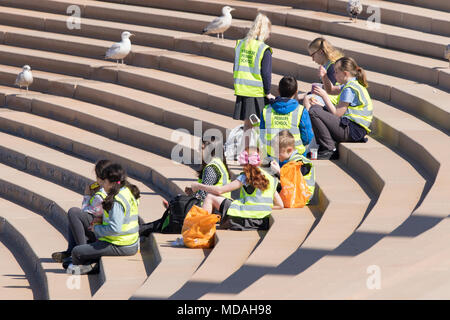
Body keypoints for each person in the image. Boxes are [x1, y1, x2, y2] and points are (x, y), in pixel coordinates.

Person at [67, 163, 141, 275]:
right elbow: (123, 216)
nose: (102, 184)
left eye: (104, 182)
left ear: (111, 183)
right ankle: (89, 260)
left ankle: (91, 265)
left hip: (120, 244)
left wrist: (96, 229)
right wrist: (101, 219)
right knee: (77, 250)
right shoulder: (127, 190)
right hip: (130, 242)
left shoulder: (117, 200)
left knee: (77, 252)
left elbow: (115, 229)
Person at [190, 147, 284, 231]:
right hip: (261, 222)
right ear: (259, 161)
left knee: (210, 197)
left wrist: (198, 186)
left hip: (243, 219)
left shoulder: (245, 177)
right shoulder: (271, 179)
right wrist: (262, 208)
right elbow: (280, 205)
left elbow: (219, 190)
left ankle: (199, 232)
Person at [304, 57, 373, 160]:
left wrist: (324, 97)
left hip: (352, 131)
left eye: (336, 72)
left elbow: (337, 113)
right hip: (353, 129)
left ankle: (328, 148)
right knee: (317, 108)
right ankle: (327, 145)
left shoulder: (349, 89)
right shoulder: (351, 83)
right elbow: (331, 90)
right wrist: (324, 77)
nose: (334, 75)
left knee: (314, 111)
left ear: (345, 73)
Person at [51, 159, 111, 265]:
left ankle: (82, 252)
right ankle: (70, 251)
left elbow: (85, 210)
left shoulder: (101, 194)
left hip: (100, 231)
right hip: (103, 228)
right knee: (74, 217)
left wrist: (87, 195)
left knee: (74, 213)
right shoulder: (111, 190)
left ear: (100, 178)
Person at [233, 13, 275, 151]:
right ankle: (254, 154)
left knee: (247, 125)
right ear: (265, 30)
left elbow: (236, 66)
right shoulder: (264, 49)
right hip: (256, 91)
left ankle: (245, 153)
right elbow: (266, 74)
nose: (270, 35)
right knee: (257, 126)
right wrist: (268, 92)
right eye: (269, 31)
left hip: (242, 88)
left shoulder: (241, 44)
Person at [260, 75, 314, 159]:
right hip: (295, 155)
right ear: (296, 92)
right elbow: (307, 137)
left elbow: (262, 135)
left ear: (278, 90)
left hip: (273, 155)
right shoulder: (301, 110)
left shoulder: (266, 109)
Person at [269, 130, 315, 203]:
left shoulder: (300, 162)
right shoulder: (292, 161)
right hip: (297, 196)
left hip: (301, 197)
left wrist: (279, 172)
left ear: (289, 150)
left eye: (277, 152)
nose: (275, 154)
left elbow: (294, 180)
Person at [304, 37, 344, 105]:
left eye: (313, 55)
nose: (313, 59)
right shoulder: (326, 65)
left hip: (334, 100)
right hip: (328, 96)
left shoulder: (332, 66)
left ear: (320, 52)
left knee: (308, 99)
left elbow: (329, 90)